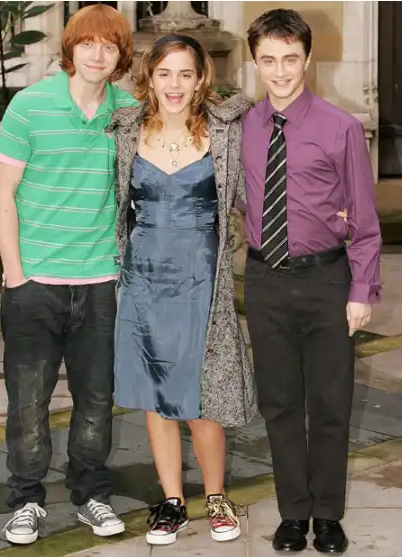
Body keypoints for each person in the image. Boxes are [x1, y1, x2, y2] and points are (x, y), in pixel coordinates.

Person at [0, 4, 137, 545]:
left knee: (96, 399)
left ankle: (90, 494)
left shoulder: (129, 111)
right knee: (28, 402)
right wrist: (16, 274)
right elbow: (2, 195)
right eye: (88, 43)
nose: (98, 54)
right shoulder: (30, 106)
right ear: (70, 48)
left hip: (100, 282)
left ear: (121, 56)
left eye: (109, 45)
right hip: (35, 282)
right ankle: (26, 499)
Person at [242, 8, 382, 555]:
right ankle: (292, 514)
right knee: (278, 404)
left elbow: (364, 220)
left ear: (307, 59)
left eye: (290, 59)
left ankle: (327, 515)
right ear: (255, 63)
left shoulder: (340, 127)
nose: (280, 71)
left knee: (329, 403)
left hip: (326, 280)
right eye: (268, 60)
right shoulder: (242, 127)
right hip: (266, 280)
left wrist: (360, 291)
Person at [109, 34, 256, 546]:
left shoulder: (226, 130)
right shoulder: (126, 130)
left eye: (185, 74)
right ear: (149, 78)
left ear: (200, 80)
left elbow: (254, 194)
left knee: (202, 394)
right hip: (143, 279)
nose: (174, 85)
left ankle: (216, 497)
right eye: (165, 73)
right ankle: (172, 501)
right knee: (155, 392)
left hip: (202, 280)